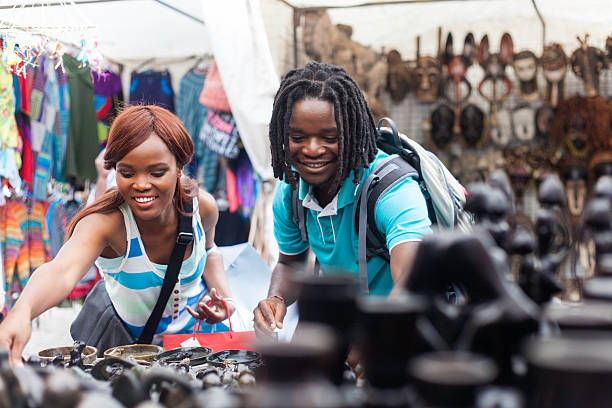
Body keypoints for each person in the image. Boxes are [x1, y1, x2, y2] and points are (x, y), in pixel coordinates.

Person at [0, 105, 233, 365]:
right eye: (127, 172)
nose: (142, 184)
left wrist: (225, 300)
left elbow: (211, 253)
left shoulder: (203, 207)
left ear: (179, 167)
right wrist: (23, 310)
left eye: (157, 172)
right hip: (129, 352)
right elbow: (61, 270)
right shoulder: (106, 222)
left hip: (200, 343)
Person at [253, 62, 432, 338]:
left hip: (399, 336)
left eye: (329, 137)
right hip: (339, 332)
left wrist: (375, 341)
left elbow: (414, 277)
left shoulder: (391, 191)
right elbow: (291, 263)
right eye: (298, 137)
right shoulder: (290, 194)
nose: (312, 149)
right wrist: (275, 300)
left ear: (350, 134)